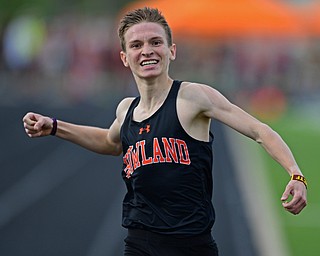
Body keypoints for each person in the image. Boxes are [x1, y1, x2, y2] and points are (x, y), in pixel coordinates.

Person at [22, 7, 307, 256]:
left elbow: (259, 130)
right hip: (140, 240)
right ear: (124, 57)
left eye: (155, 42)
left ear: (171, 50)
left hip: (192, 244)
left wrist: (295, 174)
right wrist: (56, 127)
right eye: (136, 45)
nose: (146, 50)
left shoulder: (192, 98)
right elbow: (110, 142)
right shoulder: (126, 110)